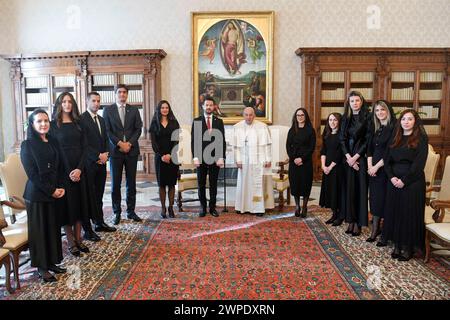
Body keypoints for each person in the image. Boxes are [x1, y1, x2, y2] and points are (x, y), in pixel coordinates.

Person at [20, 109, 66, 282]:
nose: (43, 124)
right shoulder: (27, 145)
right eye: (39, 121)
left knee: (53, 229)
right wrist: (51, 190)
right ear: (32, 124)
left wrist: (60, 186)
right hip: (37, 194)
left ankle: (52, 262)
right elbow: (32, 174)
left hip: (54, 191)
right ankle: (42, 267)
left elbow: (60, 166)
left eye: (46, 120)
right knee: (40, 231)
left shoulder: (53, 141)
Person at [50, 92, 98, 255]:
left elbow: (85, 148)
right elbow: (55, 151)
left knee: (80, 205)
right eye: (64, 101)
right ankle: (71, 242)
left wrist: (79, 168)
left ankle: (79, 239)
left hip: (80, 171)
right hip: (63, 173)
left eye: (70, 101)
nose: (67, 104)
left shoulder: (79, 123)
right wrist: (70, 170)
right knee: (67, 207)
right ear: (59, 104)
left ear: (73, 104)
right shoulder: (53, 125)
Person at [378, 109, 428, 261]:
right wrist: (392, 177)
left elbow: (418, 165)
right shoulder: (396, 138)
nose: (406, 121)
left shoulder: (421, 139)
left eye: (410, 119)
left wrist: (404, 180)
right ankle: (397, 245)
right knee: (395, 212)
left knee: (407, 214)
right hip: (393, 181)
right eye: (403, 119)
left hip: (412, 182)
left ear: (415, 121)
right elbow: (387, 160)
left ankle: (408, 247)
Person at [103, 84, 143, 225]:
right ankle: (117, 212)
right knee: (115, 184)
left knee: (131, 183)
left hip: (131, 151)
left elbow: (138, 129)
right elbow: (107, 131)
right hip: (116, 152)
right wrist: (120, 143)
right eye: (119, 92)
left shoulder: (134, 110)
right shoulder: (108, 110)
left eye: (124, 92)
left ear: (127, 94)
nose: (122, 95)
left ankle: (131, 211)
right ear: (115, 94)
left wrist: (129, 144)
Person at [80, 92, 116, 233]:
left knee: (99, 194)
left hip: (102, 164)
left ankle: (99, 222)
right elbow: (83, 144)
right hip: (89, 164)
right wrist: (97, 156)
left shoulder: (101, 119)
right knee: (90, 195)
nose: (96, 103)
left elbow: (106, 139)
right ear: (87, 101)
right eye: (93, 101)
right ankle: (88, 226)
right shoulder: (82, 119)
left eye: (98, 101)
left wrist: (106, 154)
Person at [338, 91, 372, 236]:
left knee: (360, 191)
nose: (355, 103)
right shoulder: (346, 118)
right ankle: (350, 220)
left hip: (361, 159)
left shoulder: (368, 117)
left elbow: (367, 140)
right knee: (349, 191)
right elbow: (342, 139)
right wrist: (348, 157)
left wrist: (356, 157)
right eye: (352, 101)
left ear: (362, 101)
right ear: (349, 103)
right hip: (348, 160)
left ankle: (358, 223)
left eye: (357, 100)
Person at [232, 106, 274, 216]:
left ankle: (258, 209)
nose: (248, 117)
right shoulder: (237, 127)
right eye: (246, 115)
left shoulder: (262, 127)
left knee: (257, 183)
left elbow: (267, 145)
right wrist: (238, 160)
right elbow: (236, 147)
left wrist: (268, 159)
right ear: (243, 115)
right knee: (243, 183)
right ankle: (243, 207)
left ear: (254, 115)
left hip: (258, 159)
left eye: (251, 115)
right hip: (244, 160)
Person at [366, 100, 396, 242]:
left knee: (384, 199)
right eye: (377, 111)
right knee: (374, 198)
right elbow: (369, 149)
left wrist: (376, 167)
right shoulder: (376, 128)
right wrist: (370, 166)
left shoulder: (394, 128)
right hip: (373, 169)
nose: (379, 113)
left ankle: (383, 230)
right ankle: (375, 228)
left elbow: (390, 152)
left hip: (386, 169)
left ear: (388, 111)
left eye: (382, 110)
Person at [191, 96, 226, 217]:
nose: (209, 107)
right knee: (201, 183)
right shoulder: (197, 121)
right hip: (200, 158)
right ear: (203, 106)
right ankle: (202, 207)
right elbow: (194, 141)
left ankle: (212, 207)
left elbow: (222, 141)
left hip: (215, 158)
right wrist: (195, 157)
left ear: (214, 107)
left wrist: (221, 157)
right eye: (207, 105)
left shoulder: (219, 121)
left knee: (213, 183)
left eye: (211, 105)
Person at [150, 100, 180, 219]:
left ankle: (171, 208)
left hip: (173, 157)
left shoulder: (174, 122)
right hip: (160, 158)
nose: (165, 109)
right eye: (162, 107)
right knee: (162, 184)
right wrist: (162, 155)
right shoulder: (154, 123)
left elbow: (176, 140)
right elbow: (154, 143)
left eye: (166, 107)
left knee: (172, 184)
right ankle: (163, 208)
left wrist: (170, 155)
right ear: (159, 109)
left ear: (169, 109)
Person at [286, 108, 316, 218]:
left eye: (302, 115)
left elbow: (311, 148)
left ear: (305, 116)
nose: (300, 117)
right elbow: (288, 146)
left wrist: (302, 159)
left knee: (305, 184)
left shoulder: (310, 130)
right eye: (298, 115)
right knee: (295, 184)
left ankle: (304, 206)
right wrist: (293, 158)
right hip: (294, 162)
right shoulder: (292, 130)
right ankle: (297, 206)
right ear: (295, 117)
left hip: (306, 162)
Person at [319, 113, 344, 224]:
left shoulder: (342, 135)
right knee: (329, 190)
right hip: (327, 166)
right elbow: (323, 151)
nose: (332, 122)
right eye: (330, 120)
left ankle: (339, 216)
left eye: (335, 120)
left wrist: (330, 166)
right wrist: (324, 166)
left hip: (337, 167)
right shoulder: (327, 134)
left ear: (339, 121)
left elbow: (340, 153)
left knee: (336, 190)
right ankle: (334, 214)